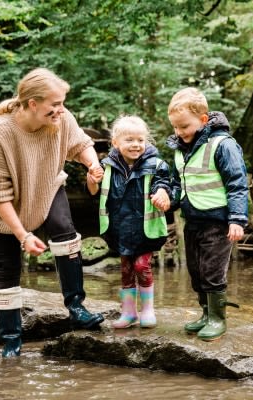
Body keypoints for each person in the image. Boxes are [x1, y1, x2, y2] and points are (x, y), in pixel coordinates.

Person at [0, 67, 105, 357]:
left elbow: (80, 144)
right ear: (32, 104)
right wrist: (23, 235)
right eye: (55, 104)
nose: (61, 110)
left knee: (65, 233)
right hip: (6, 208)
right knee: (7, 268)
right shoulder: (2, 131)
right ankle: (11, 340)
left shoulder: (60, 117)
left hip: (47, 188)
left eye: (62, 103)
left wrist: (92, 165)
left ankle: (76, 308)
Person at [166, 87, 248, 341]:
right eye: (176, 128)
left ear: (203, 120)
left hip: (218, 221)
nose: (179, 133)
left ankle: (217, 318)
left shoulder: (223, 146)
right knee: (196, 269)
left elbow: (237, 183)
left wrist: (236, 219)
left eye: (184, 127)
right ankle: (205, 313)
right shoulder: (181, 148)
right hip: (192, 219)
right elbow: (178, 182)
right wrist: (169, 199)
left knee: (213, 270)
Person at [87, 115, 171, 329]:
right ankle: (128, 312)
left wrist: (162, 192)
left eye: (140, 140)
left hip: (145, 229)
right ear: (115, 142)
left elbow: (164, 184)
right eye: (129, 140)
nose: (136, 145)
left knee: (142, 265)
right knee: (125, 269)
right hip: (120, 228)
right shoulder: (106, 166)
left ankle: (148, 310)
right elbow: (94, 192)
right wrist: (91, 179)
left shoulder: (157, 164)